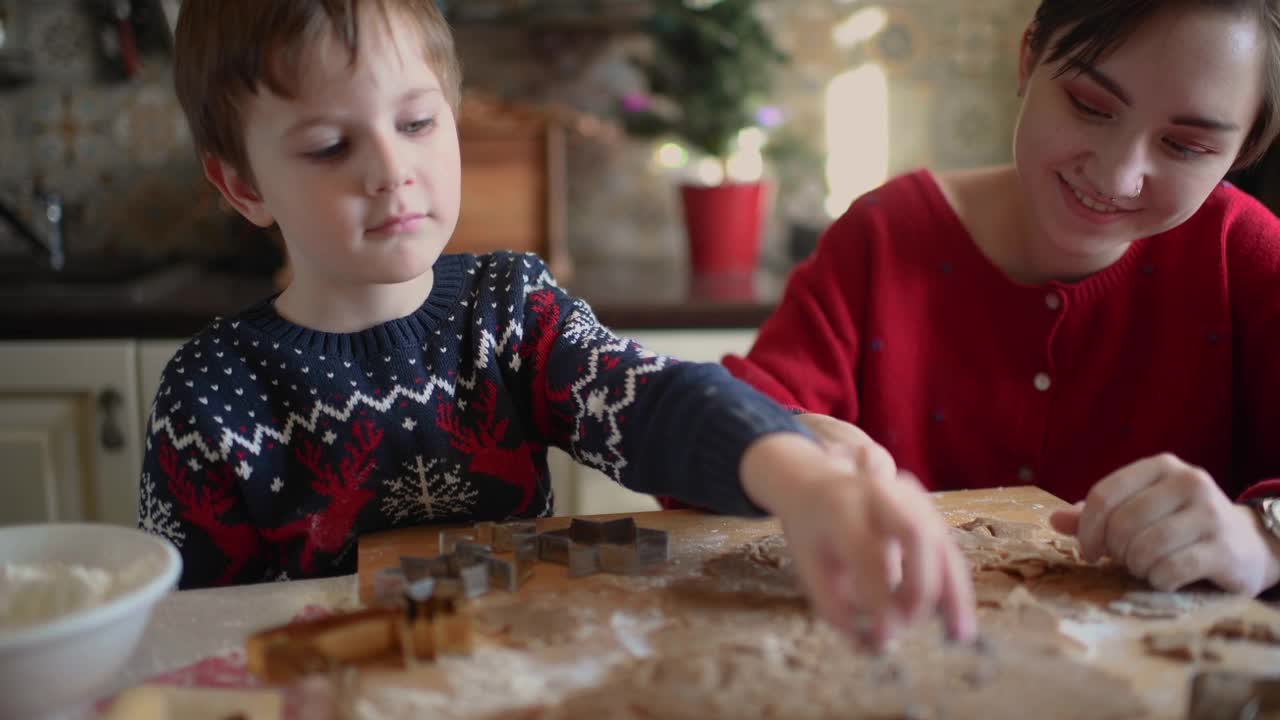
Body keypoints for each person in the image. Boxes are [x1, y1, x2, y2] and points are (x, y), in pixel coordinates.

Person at [137, 0, 974, 651]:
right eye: (328, 146)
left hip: (519, 670)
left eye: (419, 123)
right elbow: (190, 636)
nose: (393, 171)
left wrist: (798, 472)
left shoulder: (509, 310)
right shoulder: (212, 396)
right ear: (243, 185)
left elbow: (650, 403)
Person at [726, 0, 1280, 599]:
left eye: (1187, 146)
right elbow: (716, 425)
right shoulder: (884, 238)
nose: (1118, 176)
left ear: (1244, 147)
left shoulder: (1244, 256)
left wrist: (1263, 533)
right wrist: (786, 448)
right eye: (1090, 107)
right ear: (1028, 60)